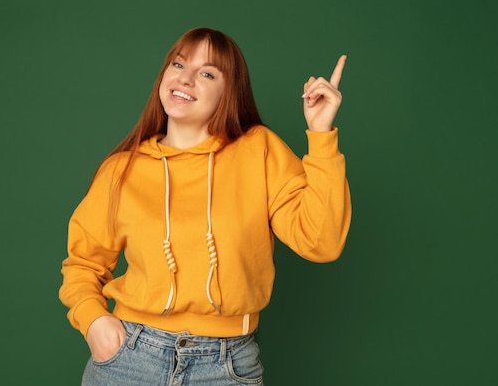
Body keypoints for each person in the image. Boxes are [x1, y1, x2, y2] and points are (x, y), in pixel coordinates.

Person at [59, 27, 351, 386]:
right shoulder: (122, 169)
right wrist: (93, 321)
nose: (186, 78)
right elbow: (83, 263)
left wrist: (321, 137)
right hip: (128, 358)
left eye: (207, 72)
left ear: (228, 92)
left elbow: (320, 242)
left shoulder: (259, 150)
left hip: (226, 367)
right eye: (178, 64)